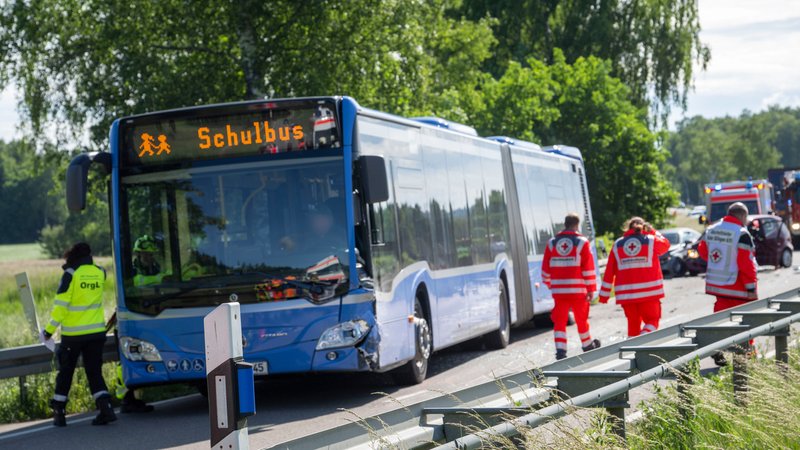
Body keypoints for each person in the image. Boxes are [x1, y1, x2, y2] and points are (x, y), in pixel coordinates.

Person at [42, 242, 117, 427]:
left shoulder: (70, 274)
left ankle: (59, 413)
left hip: (73, 335)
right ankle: (106, 407)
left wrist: (48, 331)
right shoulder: (100, 272)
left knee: (66, 372)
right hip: (96, 334)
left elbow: (60, 308)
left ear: (71, 256)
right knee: (94, 371)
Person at [698, 202, 757, 365]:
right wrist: (751, 287)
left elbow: (703, 251)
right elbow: (746, 264)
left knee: (721, 321)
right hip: (738, 287)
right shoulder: (741, 233)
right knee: (745, 323)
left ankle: (718, 349)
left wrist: (720, 263)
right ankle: (749, 359)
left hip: (717, 286)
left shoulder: (711, 230)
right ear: (742, 216)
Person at [542, 213, 601, 360]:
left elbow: (545, 270)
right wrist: (590, 289)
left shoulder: (552, 243)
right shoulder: (582, 242)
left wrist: (551, 285)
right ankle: (587, 345)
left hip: (559, 291)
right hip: (578, 291)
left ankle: (561, 351)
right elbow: (588, 269)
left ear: (565, 224)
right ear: (577, 224)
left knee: (559, 321)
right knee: (581, 319)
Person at [599, 217, 671, 337]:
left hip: (626, 296)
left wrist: (604, 295)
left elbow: (609, 271)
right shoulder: (651, 240)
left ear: (628, 227)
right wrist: (653, 231)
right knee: (652, 321)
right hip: (649, 293)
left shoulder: (618, 244)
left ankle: (633, 352)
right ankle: (643, 339)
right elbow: (666, 245)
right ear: (644, 227)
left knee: (633, 326)